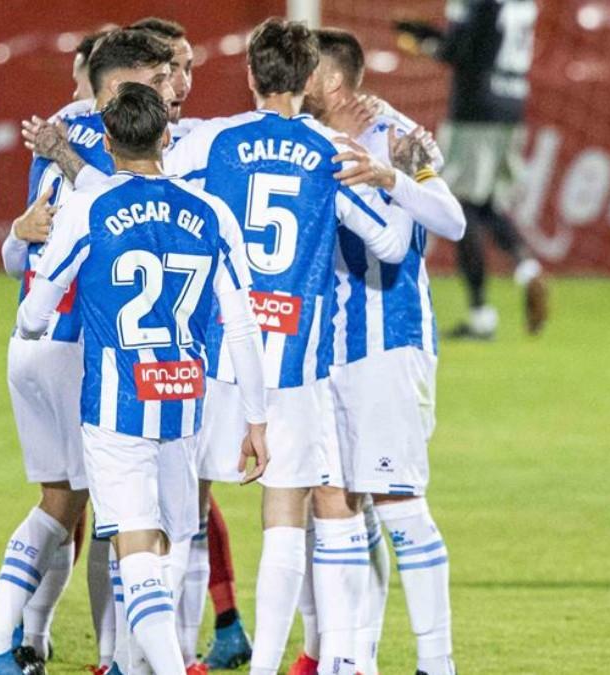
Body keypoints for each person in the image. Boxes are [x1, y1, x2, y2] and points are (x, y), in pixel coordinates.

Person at [165, 18, 415, 675]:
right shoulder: (330, 152)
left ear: (250, 74)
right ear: (308, 81)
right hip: (298, 362)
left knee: (183, 508)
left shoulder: (211, 143)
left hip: (218, 353)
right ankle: (271, 663)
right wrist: (387, 181)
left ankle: (161, 657)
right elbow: (388, 246)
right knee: (284, 520)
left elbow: (157, 192)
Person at [26, 19, 256, 668]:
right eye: (166, 73)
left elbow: (40, 297)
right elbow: (238, 319)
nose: (179, 83)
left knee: (133, 540)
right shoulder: (208, 202)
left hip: (118, 395)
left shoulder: (89, 201)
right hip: (191, 385)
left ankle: (149, 657)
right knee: (174, 540)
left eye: (183, 69)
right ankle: (148, 656)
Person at [0, 29, 177, 675]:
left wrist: (11, 235)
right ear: (115, 86)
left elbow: (24, 247)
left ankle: (17, 638)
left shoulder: (60, 133)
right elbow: (116, 207)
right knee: (115, 511)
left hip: (33, 340)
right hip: (76, 345)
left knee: (64, 500)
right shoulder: (98, 140)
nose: (163, 93)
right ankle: (100, 654)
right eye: (153, 82)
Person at [292, 27, 465, 675]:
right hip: (326, 348)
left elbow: (446, 222)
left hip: (387, 342)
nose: (292, 85)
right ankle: (350, 658)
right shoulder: (306, 136)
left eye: (302, 74)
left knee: (396, 500)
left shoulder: (392, 131)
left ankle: (435, 662)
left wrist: (395, 171)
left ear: (331, 82)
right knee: (335, 501)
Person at [396, 0, 547, 339]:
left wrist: (426, 43)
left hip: (475, 111)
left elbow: (461, 53)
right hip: (511, 106)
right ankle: (527, 268)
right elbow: (482, 42)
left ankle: (481, 315)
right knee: (487, 204)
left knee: (461, 204)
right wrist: (432, 35)